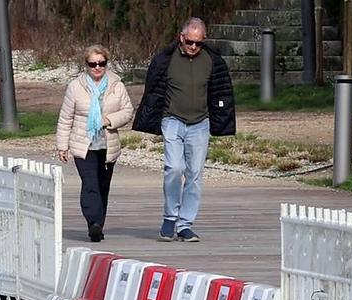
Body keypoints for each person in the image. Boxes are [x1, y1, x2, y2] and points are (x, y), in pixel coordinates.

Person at [132, 16, 235, 243]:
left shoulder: (213, 60)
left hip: (200, 122)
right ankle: (170, 218)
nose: (193, 47)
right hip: (172, 120)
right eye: (190, 42)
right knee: (174, 168)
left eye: (198, 43)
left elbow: (222, 92)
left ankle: (185, 224)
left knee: (195, 174)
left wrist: (222, 119)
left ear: (204, 40)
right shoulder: (165, 59)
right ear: (181, 37)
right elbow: (153, 90)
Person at [55, 44, 134, 242]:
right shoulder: (75, 87)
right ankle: (93, 223)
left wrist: (109, 120)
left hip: (108, 145)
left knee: (103, 186)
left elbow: (127, 111)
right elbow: (66, 118)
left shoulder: (117, 85)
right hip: (84, 144)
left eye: (101, 63)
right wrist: (62, 146)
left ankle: (99, 222)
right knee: (90, 184)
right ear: (86, 65)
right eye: (93, 64)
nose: (97, 68)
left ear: (107, 63)